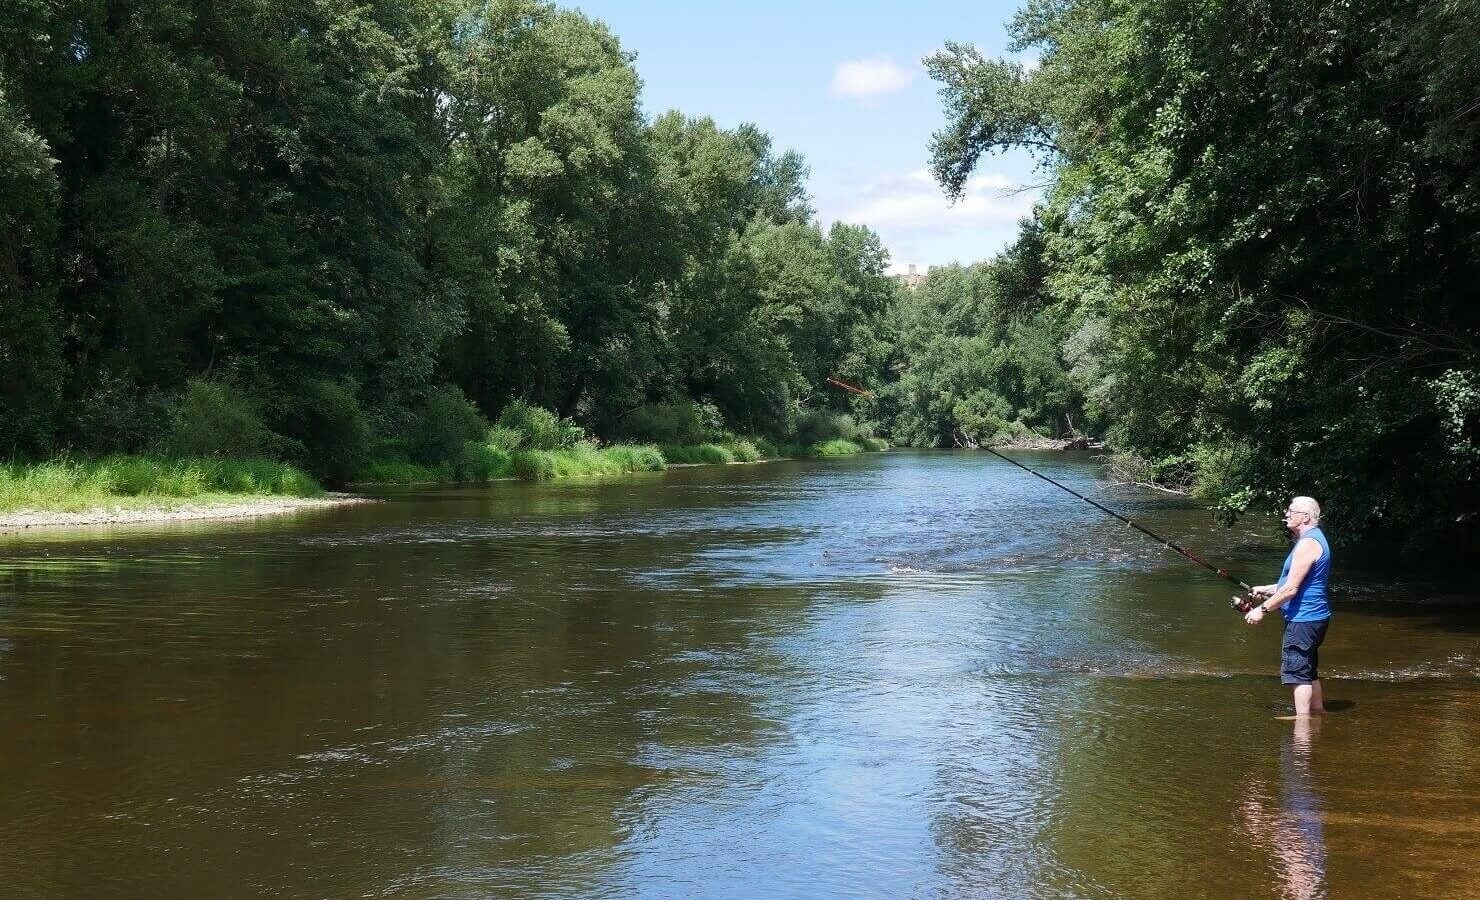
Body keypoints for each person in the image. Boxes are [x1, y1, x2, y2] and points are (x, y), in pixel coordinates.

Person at [1243, 496, 1331, 717]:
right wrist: (1268, 588)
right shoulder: (1313, 539)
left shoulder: (1308, 544)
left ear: (1305, 517)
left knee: (1298, 672)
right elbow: (1294, 583)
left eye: (1291, 511)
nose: (1287, 515)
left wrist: (1261, 610)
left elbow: (1291, 589)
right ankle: (1318, 713)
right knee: (1309, 671)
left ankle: (1302, 721)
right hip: (1314, 616)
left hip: (1303, 618)